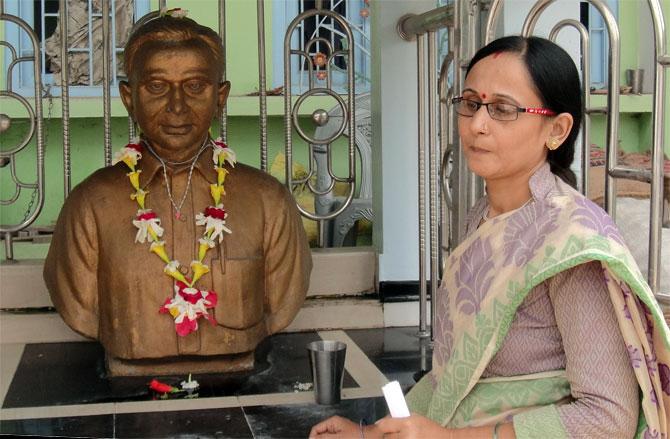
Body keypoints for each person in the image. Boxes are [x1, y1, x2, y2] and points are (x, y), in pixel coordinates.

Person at [310, 36, 670, 438]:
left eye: (502, 109)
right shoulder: (483, 216)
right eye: (470, 103)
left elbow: (606, 419)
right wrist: (372, 433)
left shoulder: (571, 244)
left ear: (557, 129)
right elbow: (457, 376)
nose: (477, 125)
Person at [44, 10, 312, 376]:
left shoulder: (267, 201)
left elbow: (281, 301)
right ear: (128, 97)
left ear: (221, 96)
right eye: (156, 86)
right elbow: (80, 308)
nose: (176, 106)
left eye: (195, 86)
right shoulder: (90, 205)